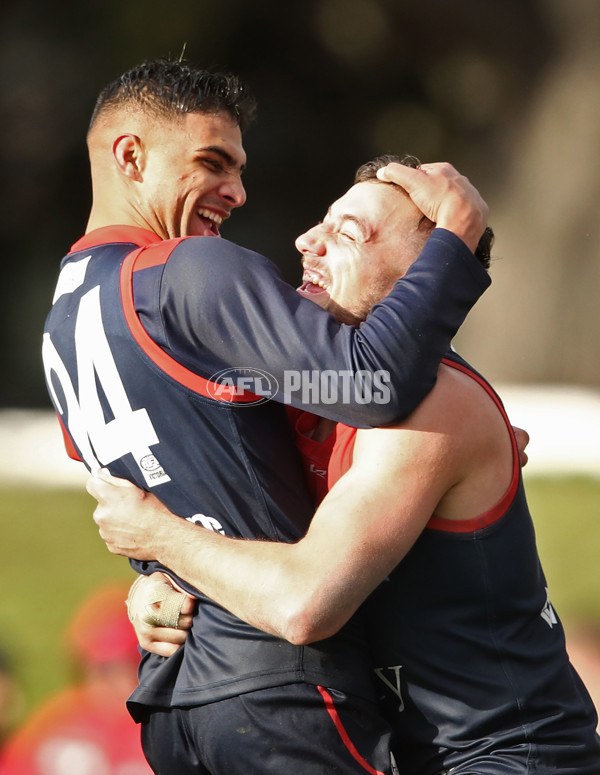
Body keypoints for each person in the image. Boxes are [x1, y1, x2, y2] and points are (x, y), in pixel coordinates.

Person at [42, 57, 492, 774]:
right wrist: (455, 239)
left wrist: (149, 576)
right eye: (212, 162)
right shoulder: (189, 269)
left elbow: (149, 486)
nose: (238, 192)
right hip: (279, 688)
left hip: (172, 703)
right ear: (131, 155)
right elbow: (371, 381)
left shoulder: (61, 316)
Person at [89, 156, 600, 773]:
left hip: (508, 757)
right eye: (320, 224)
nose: (307, 243)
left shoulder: (433, 407)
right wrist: (157, 581)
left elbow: (304, 602)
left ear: (424, 275)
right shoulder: (306, 395)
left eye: (349, 234)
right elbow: (239, 535)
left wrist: (161, 538)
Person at [0, 584, 152, 775]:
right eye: (95, 669)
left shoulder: (163, 725)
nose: (103, 683)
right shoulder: (57, 723)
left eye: (122, 666)